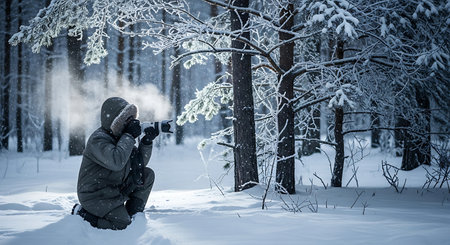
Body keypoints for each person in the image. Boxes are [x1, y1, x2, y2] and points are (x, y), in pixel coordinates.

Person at [71, 97, 159, 230]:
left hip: (114, 189)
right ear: (115, 120)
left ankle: (134, 214)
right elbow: (116, 161)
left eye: (131, 118)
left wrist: (146, 141)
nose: (131, 122)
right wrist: (129, 136)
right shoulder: (98, 140)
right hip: (96, 195)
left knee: (147, 175)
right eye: (126, 119)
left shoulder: (121, 138)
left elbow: (138, 166)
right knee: (121, 223)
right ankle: (83, 214)